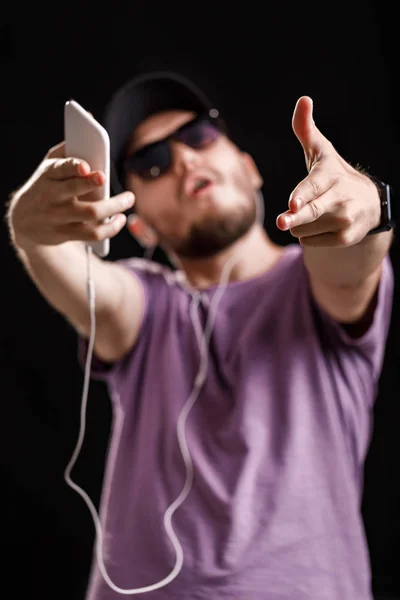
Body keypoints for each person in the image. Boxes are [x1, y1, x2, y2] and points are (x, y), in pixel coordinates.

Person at [6, 71, 395, 600]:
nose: (185, 161)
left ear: (248, 167)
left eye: (197, 135)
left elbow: (352, 262)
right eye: (152, 162)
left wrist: (368, 205)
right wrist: (31, 231)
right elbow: (80, 279)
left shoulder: (310, 286)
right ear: (138, 226)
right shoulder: (147, 306)